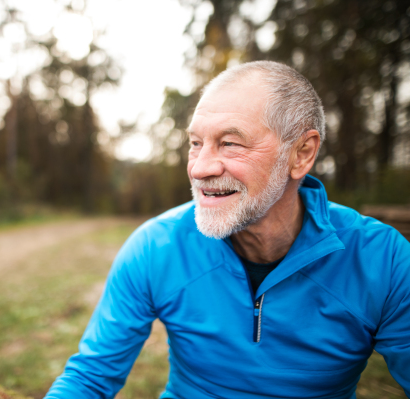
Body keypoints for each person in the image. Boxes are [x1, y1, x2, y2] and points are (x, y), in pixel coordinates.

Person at [44, 61, 410, 398]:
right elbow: (90, 378)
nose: (199, 168)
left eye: (229, 143)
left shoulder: (384, 261)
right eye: (196, 143)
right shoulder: (155, 247)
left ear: (301, 154)